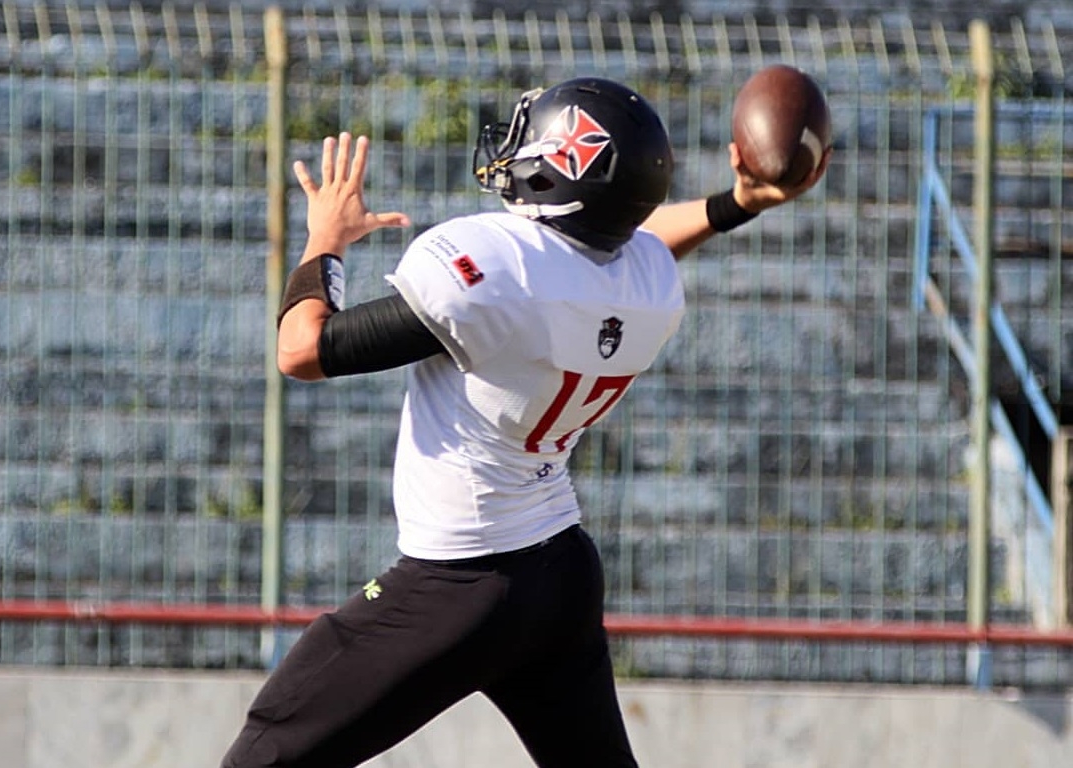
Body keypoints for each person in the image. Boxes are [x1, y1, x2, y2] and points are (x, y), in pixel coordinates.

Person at [221, 76, 829, 768]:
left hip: (456, 584)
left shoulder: (495, 270)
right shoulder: (652, 289)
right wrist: (738, 202)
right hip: (558, 574)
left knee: (264, 755)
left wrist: (325, 241)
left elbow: (301, 350)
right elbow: (637, 240)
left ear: (563, 166)